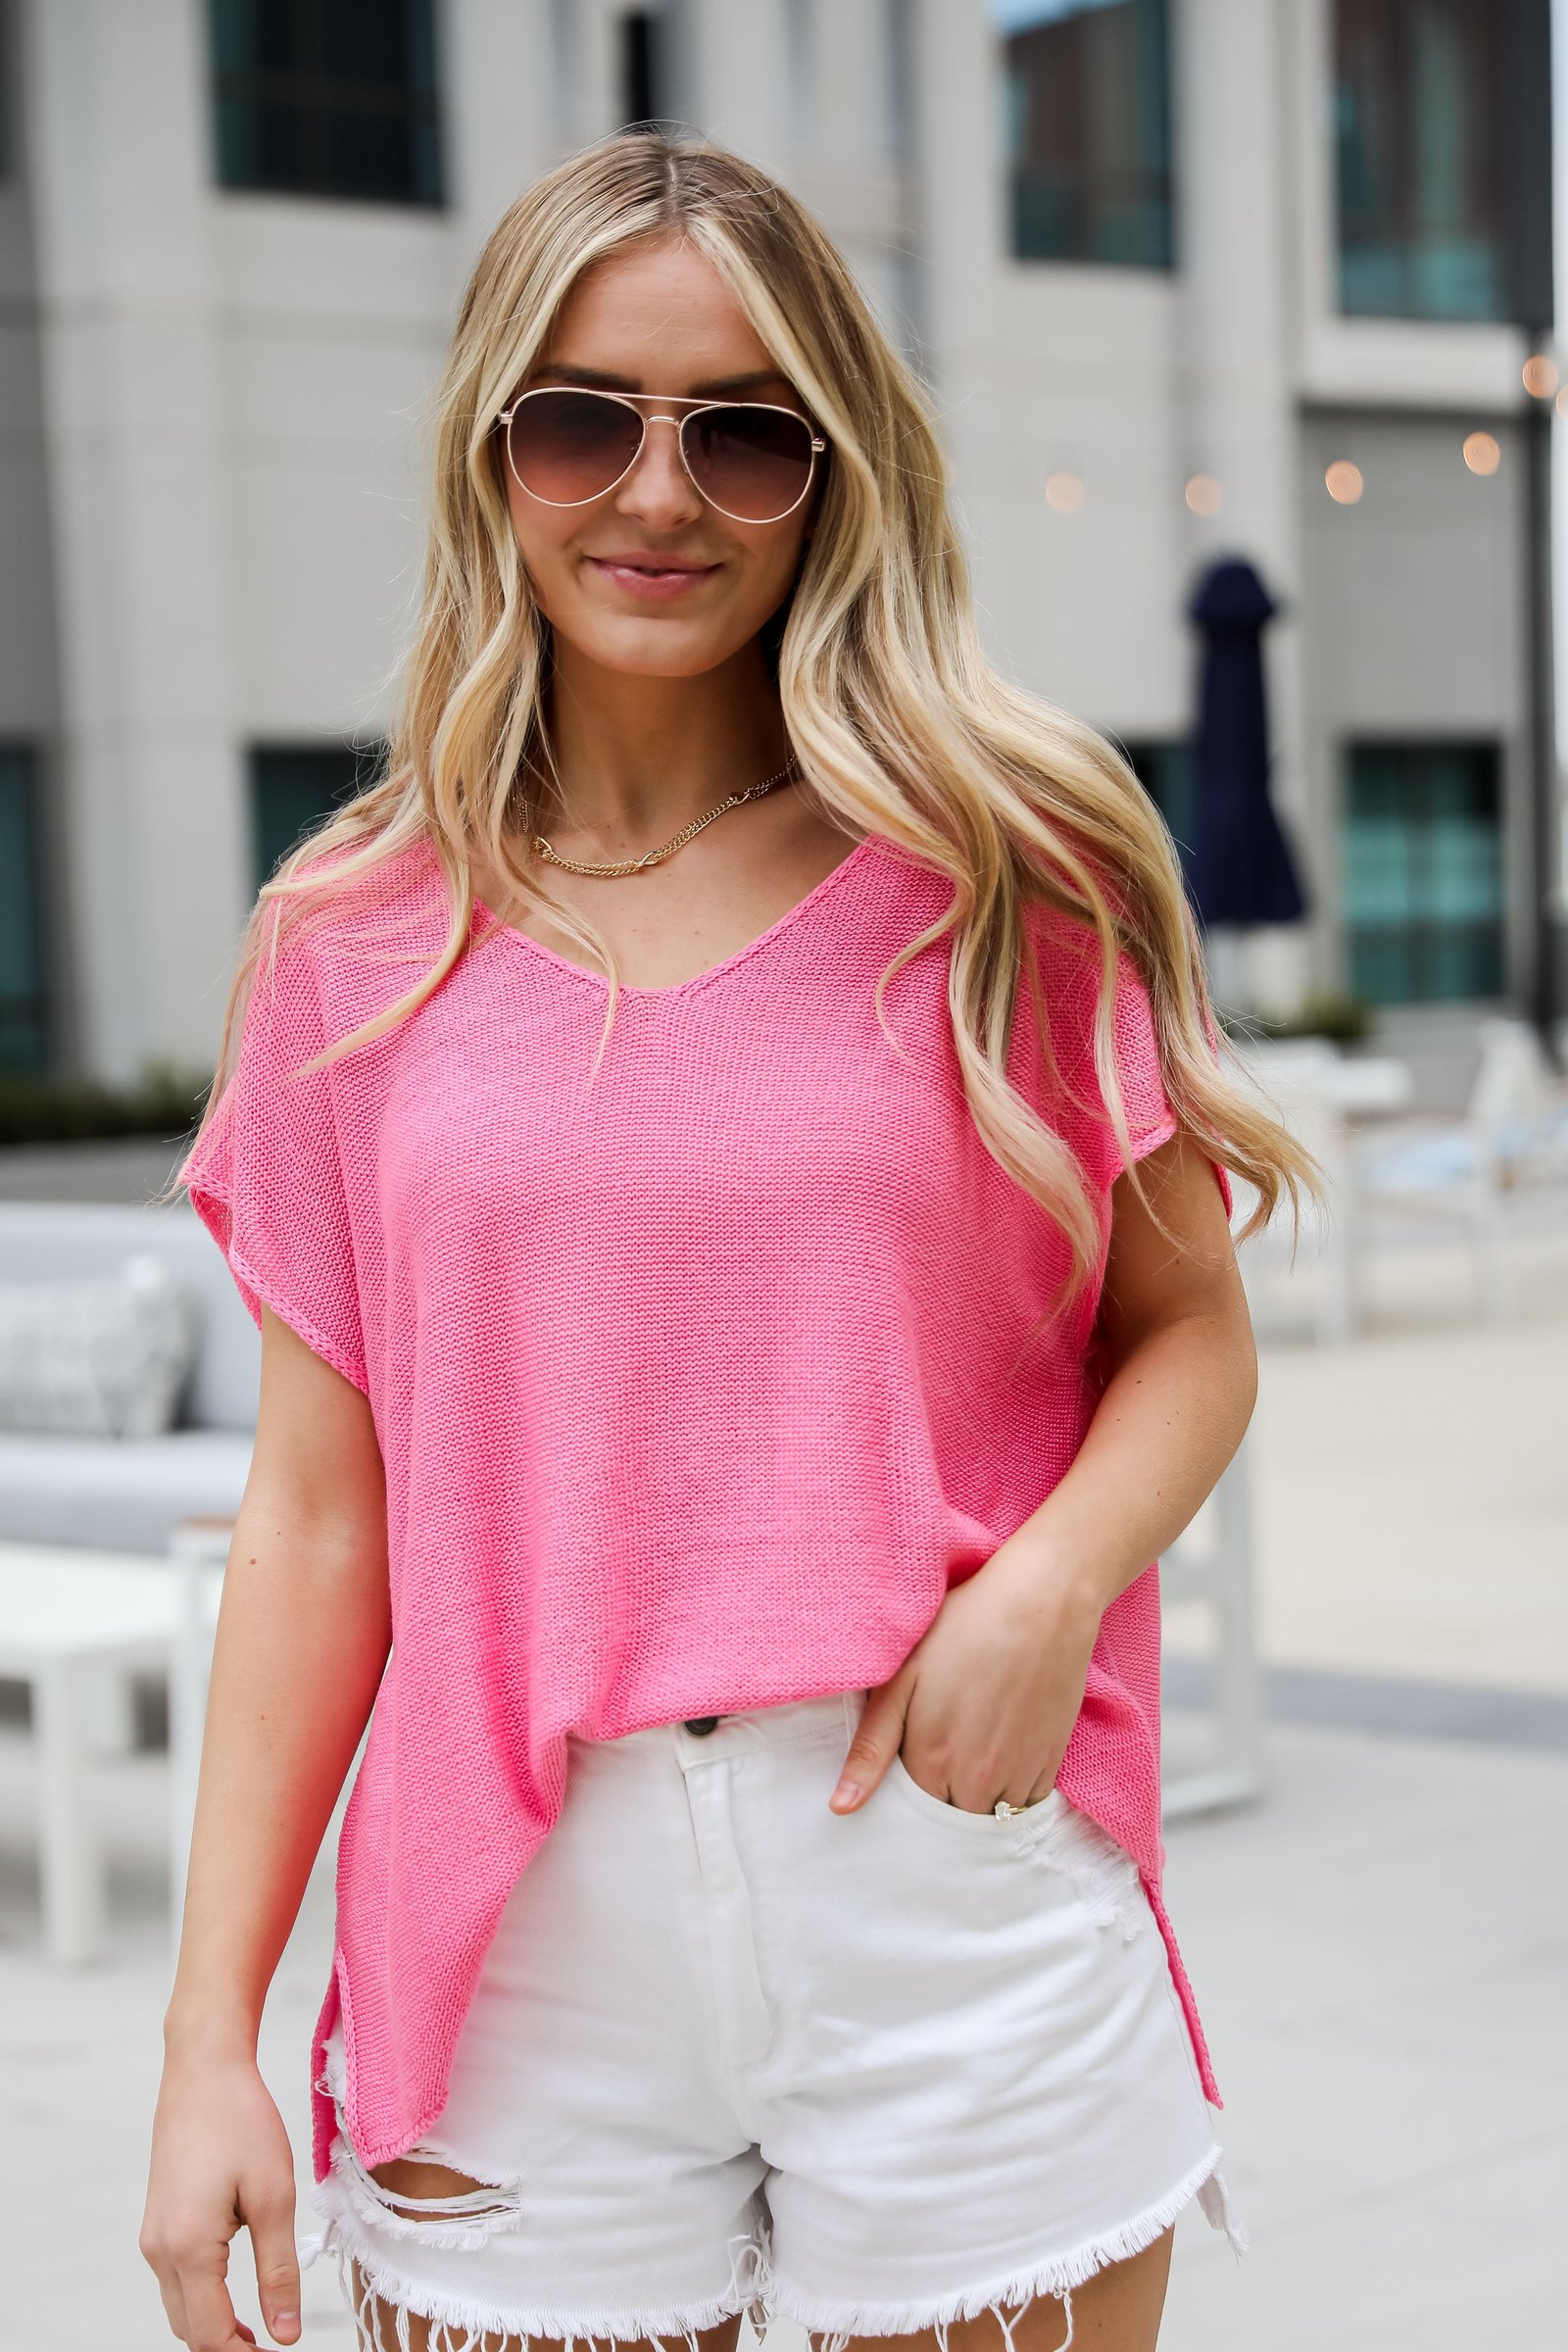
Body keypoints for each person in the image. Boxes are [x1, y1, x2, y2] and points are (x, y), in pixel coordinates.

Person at [141, 132, 1310, 2352]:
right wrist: (207, 2038)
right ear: (496, 452)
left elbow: (1189, 1335)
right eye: (583, 417)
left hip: (934, 1862)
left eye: (742, 431)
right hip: (509, 1922)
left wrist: (1049, 1585)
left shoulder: (1012, 869)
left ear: (831, 470)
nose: (655, 492)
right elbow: (314, 1523)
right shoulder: (349, 942)